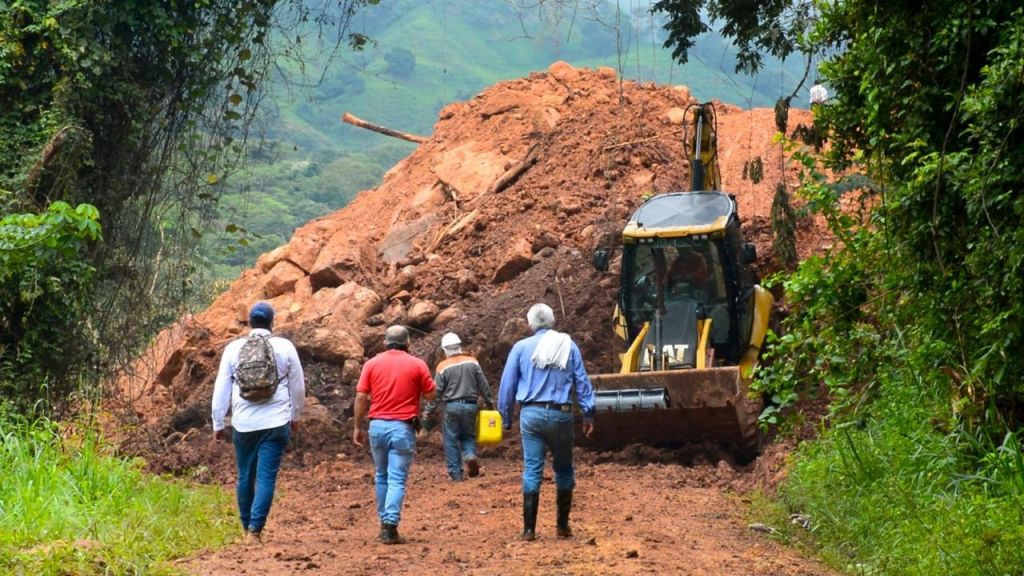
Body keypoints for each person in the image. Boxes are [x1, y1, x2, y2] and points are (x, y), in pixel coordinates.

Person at [497, 303, 596, 541]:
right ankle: (562, 526)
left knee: (532, 469)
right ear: (552, 322)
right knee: (563, 468)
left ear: (530, 324)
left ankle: (529, 530)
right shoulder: (568, 345)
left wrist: (506, 415)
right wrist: (588, 412)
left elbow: (507, 384)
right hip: (561, 415)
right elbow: (581, 381)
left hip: (531, 416)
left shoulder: (520, 347)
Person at [212, 301, 305, 545]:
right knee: (266, 477)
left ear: (250, 323)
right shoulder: (284, 346)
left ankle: (245, 527)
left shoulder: (234, 349)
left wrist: (218, 422)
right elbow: (298, 387)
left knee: (244, 476)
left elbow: (221, 387)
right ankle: (255, 529)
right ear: (272, 322)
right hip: (276, 422)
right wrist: (295, 416)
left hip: (243, 424)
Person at [353, 325, 437, 545]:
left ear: (385, 342)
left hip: (377, 426)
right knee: (397, 479)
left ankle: (384, 523)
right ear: (408, 343)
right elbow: (430, 395)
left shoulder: (371, 364)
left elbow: (361, 397)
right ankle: (390, 526)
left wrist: (357, 426)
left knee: (381, 475)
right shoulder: (418, 364)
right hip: (402, 427)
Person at [421, 332, 495, 481]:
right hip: (470, 406)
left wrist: (428, 411)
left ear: (445, 350)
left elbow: (437, 393)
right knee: (468, 435)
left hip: (452, 407)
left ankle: (455, 474)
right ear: (460, 347)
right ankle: (469, 454)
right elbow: (483, 385)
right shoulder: (473, 362)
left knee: (451, 439)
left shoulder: (442, 367)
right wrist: (489, 404)